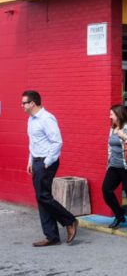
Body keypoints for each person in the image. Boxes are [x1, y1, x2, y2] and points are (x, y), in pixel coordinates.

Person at [23, 90, 79, 246]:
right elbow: (33, 142)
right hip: (37, 161)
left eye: (24, 103)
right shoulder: (31, 120)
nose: (22, 106)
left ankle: (70, 220)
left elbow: (57, 142)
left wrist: (47, 162)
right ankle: (51, 236)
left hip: (47, 162)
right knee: (41, 198)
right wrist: (30, 160)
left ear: (32, 103)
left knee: (43, 196)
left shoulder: (47, 118)